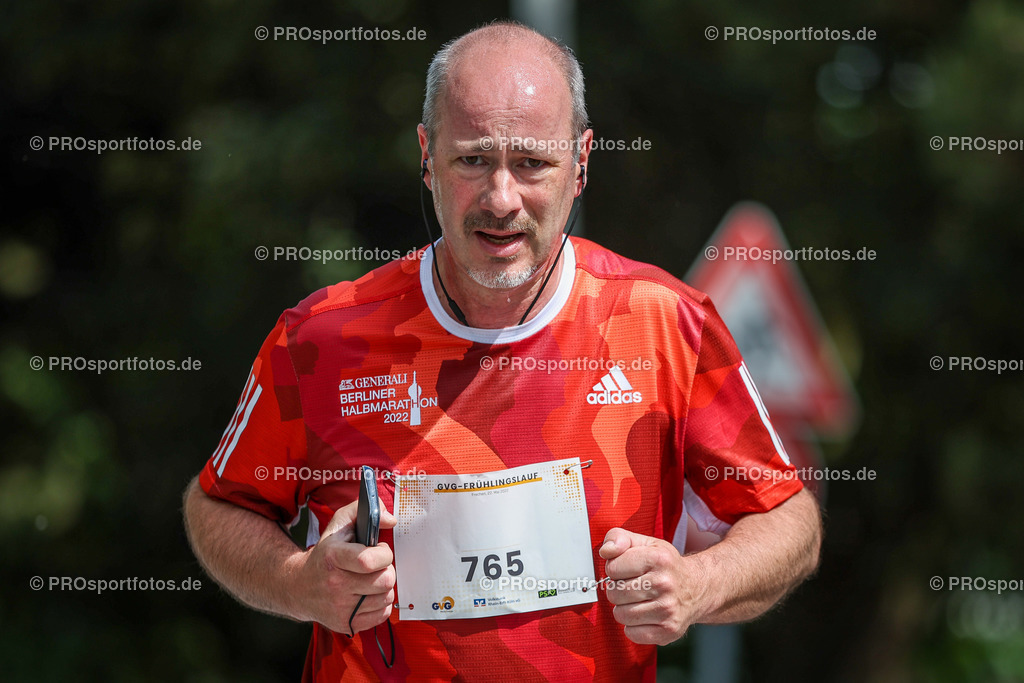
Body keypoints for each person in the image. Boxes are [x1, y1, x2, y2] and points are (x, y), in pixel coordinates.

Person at [183, 20, 821, 682]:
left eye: (532, 163)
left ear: (582, 160)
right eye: (473, 160)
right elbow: (219, 505)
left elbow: (787, 517)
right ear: (427, 154)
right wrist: (298, 582)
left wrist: (697, 584)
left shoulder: (665, 323)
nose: (501, 199)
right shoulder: (322, 337)